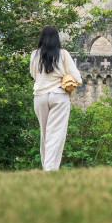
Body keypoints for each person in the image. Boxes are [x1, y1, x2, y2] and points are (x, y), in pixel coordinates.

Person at [30, 25, 82, 171]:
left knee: (45, 134)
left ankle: (47, 167)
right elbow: (77, 78)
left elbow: (34, 75)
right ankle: (50, 170)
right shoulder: (63, 54)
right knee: (56, 134)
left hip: (40, 96)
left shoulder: (35, 55)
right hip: (59, 96)